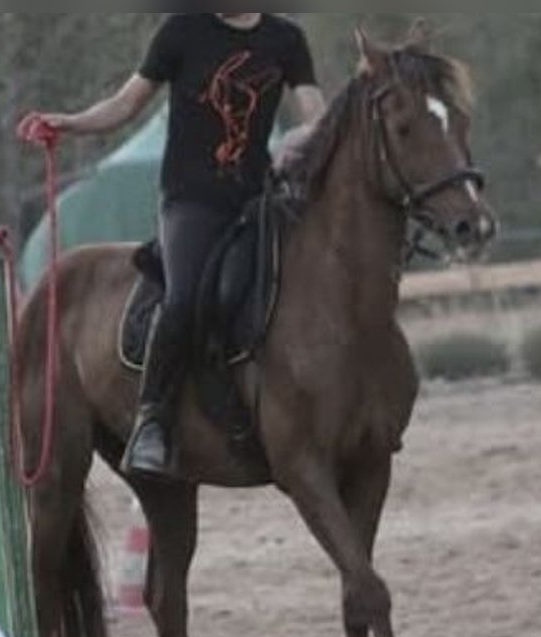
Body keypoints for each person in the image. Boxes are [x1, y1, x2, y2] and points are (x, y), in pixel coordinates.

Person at [21, 13, 326, 477]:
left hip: (256, 202)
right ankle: (153, 420)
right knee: (183, 298)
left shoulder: (286, 39)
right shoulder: (181, 32)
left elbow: (316, 118)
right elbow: (124, 106)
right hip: (191, 201)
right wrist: (69, 124)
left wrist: (300, 142)